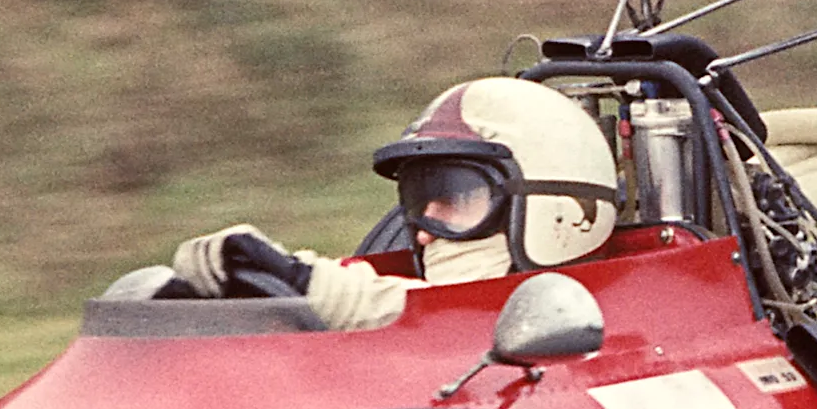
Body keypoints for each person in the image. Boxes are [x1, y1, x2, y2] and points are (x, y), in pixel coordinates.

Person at [121, 78, 622, 332]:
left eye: (457, 197)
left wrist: (302, 280)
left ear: (554, 209)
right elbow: (404, 300)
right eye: (421, 200)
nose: (423, 229)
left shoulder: (586, 323)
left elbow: (447, 319)